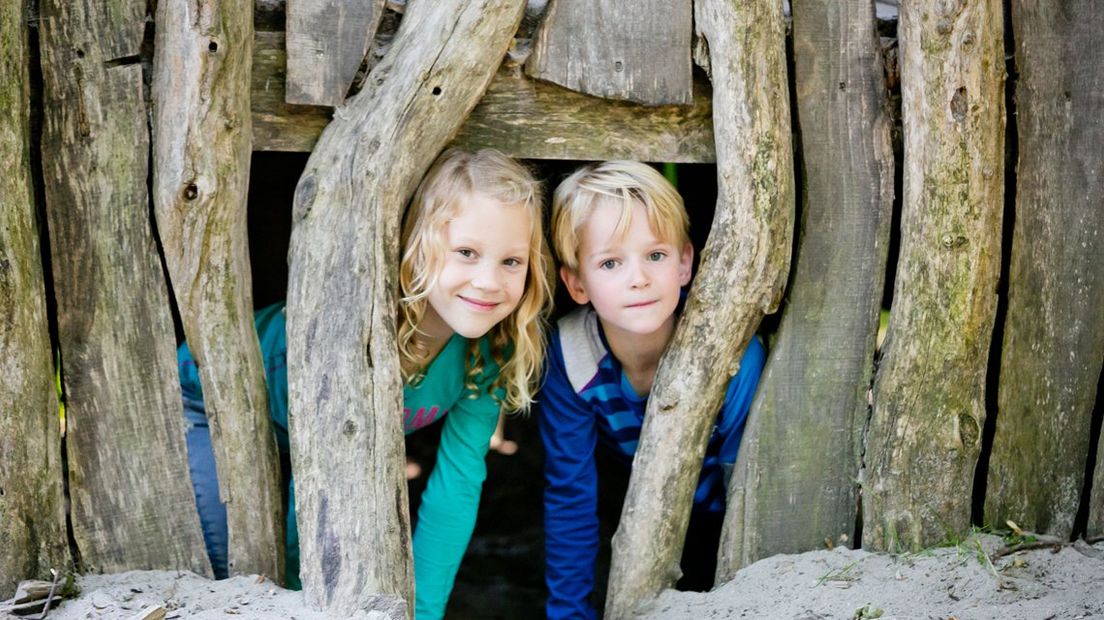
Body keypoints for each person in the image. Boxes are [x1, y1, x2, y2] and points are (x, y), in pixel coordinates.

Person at [179, 148, 553, 620]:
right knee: (242, 575)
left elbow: (455, 488)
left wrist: (424, 612)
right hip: (207, 406)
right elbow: (320, 488)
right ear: (417, 245)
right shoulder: (363, 325)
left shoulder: (490, 353)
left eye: (511, 261)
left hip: (303, 446)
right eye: (466, 252)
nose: (488, 281)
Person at [538, 161, 766, 620]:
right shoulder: (571, 357)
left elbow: (750, 489)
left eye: (655, 256)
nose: (638, 277)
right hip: (635, 515)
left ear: (685, 262)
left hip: (726, 520)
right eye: (610, 262)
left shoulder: (732, 352)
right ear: (576, 283)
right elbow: (571, 496)